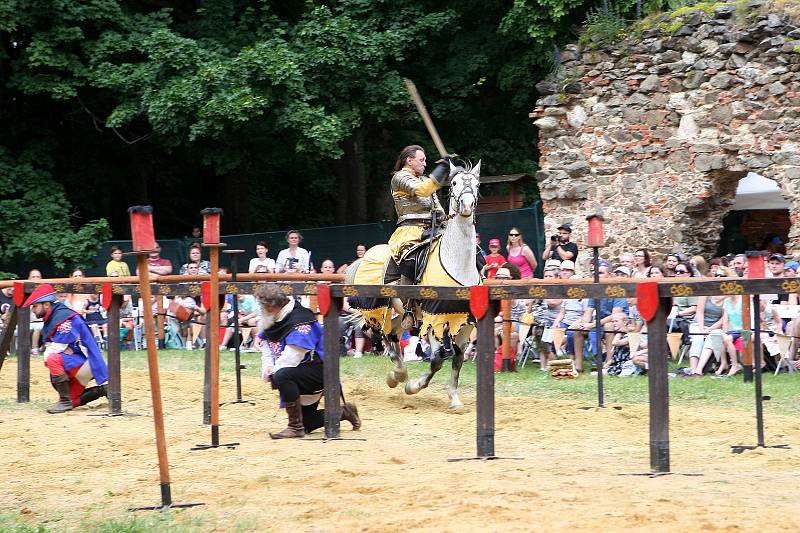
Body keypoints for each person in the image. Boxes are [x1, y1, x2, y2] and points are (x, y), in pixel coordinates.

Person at [255, 283, 360, 438]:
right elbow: (268, 346)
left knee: (282, 375)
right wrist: (267, 367)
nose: (262, 310)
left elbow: (292, 357)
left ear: (272, 307)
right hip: (298, 371)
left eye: (264, 306)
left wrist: (274, 372)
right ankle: (344, 412)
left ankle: (295, 427)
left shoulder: (301, 320)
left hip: (318, 370)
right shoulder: (273, 318)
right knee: (308, 423)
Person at [24, 284, 108, 413]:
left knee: (52, 359)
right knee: (73, 401)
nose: (33, 310)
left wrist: (56, 351)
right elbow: (58, 345)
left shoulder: (64, 318)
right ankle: (103, 390)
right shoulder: (56, 315)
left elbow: (56, 347)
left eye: (35, 306)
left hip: (85, 365)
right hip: (80, 365)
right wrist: (61, 349)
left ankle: (64, 401)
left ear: (46, 305)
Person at [387, 145, 453, 259]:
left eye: (425, 161)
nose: (425, 164)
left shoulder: (424, 180)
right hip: (410, 232)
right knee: (410, 262)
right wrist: (442, 168)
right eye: (421, 160)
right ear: (409, 161)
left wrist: (447, 219)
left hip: (432, 230)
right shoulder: (399, 177)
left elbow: (437, 208)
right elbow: (422, 190)